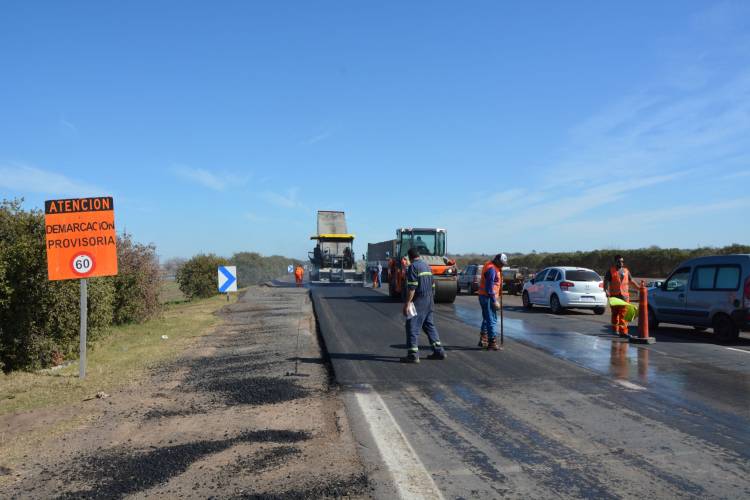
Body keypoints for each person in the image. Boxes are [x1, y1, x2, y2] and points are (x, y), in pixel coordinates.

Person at [401, 247, 446, 363]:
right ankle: (439, 351)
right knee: (429, 325)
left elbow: (412, 288)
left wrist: (407, 304)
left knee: (412, 326)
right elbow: (433, 285)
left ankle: (413, 354)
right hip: (430, 299)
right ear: (419, 256)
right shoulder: (426, 266)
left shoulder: (413, 267)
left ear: (410, 257)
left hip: (419, 300)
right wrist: (431, 299)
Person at [603, 255, 640, 337]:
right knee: (615, 314)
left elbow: (631, 281)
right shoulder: (610, 271)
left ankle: (623, 332)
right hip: (614, 296)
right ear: (615, 262)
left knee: (623, 314)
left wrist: (639, 288)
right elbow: (606, 281)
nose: (621, 263)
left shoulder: (626, 271)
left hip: (624, 297)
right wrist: (606, 290)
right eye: (619, 261)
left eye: (622, 261)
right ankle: (615, 330)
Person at [477, 253, 507, 350]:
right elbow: (489, 287)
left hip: (484, 296)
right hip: (488, 297)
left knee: (486, 318)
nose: (502, 265)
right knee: (492, 320)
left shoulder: (491, 265)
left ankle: (483, 339)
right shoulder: (491, 269)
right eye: (501, 263)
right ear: (497, 260)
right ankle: (492, 342)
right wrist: (494, 301)